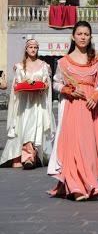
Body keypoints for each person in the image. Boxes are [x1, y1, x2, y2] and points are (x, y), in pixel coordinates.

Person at [47, 21, 98, 201]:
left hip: (90, 108)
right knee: (73, 144)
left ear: (90, 37)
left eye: (86, 34)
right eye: (79, 34)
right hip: (72, 106)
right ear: (73, 36)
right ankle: (75, 186)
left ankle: (88, 183)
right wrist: (67, 90)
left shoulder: (97, 62)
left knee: (87, 146)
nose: (83, 37)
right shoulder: (64, 62)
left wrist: (95, 94)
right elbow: (56, 82)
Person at [0, 39, 56, 169]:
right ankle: (18, 156)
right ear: (26, 49)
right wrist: (22, 85)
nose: (33, 49)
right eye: (30, 47)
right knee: (21, 128)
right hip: (24, 103)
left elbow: (47, 85)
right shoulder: (19, 66)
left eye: (35, 47)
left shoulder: (44, 66)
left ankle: (29, 157)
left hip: (37, 103)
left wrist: (43, 86)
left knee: (33, 127)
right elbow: (16, 85)